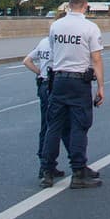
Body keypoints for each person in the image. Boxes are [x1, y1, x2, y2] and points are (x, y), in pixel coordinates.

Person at [39, 0, 105, 190]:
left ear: (68, 5)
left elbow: (52, 51)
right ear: (86, 5)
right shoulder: (90, 28)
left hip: (58, 80)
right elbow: (96, 59)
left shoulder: (56, 26)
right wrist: (101, 86)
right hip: (79, 82)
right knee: (79, 126)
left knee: (54, 127)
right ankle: (78, 171)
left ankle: (47, 171)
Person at [23, 30, 69, 178]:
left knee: (46, 125)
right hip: (57, 84)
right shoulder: (60, 44)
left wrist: (39, 72)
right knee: (63, 126)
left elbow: (27, 61)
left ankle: (45, 165)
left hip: (43, 84)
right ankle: (74, 162)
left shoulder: (43, 42)